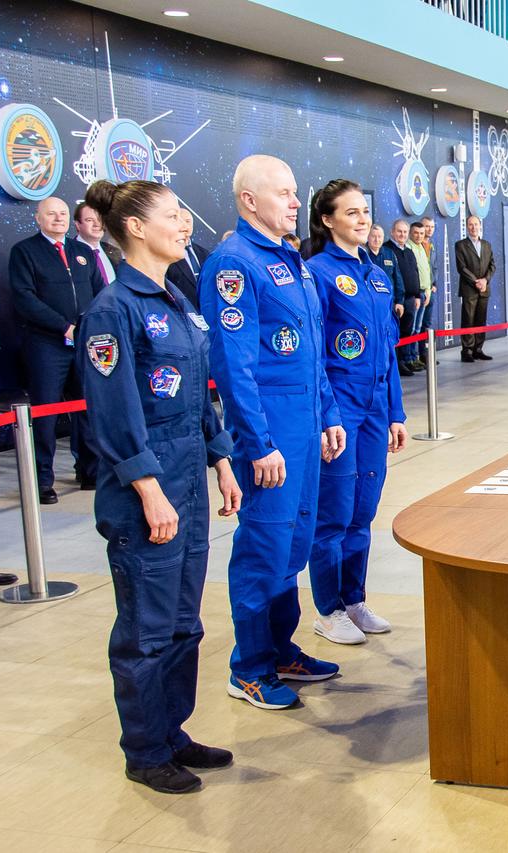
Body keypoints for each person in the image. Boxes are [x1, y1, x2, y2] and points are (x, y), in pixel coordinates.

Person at [76, 177, 242, 794]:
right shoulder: (112, 310)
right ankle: (145, 752)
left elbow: (198, 393)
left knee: (183, 623)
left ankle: (171, 731)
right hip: (146, 493)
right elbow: (114, 413)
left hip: (188, 486)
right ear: (136, 228)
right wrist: (148, 490)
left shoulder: (176, 299)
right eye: (173, 215)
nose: (185, 224)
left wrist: (222, 460)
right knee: (145, 630)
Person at [200, 154, 347, 711]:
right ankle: (251, 668)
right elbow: (234, 368)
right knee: (264, 548)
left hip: (308, 430)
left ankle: (282, 650)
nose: (294, 202)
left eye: (295, 192)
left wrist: (329, 412)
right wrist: (258, 444)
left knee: (295, 545)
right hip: (272, 437)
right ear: (249, 200)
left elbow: (312, 353)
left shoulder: (292, 260)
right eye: (283, 193)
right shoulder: (234, 265)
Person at [304, 180, 408, 645]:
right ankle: (328, 610)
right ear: (327, 220)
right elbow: (313, 357)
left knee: (364, 511)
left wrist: (396, 413)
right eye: (350, 213)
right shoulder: (317, 274)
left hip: (374, 412)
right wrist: (328, 416)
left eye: (364, 211)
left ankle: (353, 598)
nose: (362, 219)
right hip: (340, 411)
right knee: (335, 514)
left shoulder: (378, 274)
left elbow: (387, 351)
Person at [8, 196, 107, 503]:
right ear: (38, 218)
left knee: (88, 410)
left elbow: (100, 293)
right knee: (46, 415)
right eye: (51, 214)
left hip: (83, 343)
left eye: (63, 213)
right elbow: (24, 299)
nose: (58, 218)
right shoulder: (25, 252)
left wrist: (90, 327)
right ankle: (41, 481)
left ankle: (90, 472)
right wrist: (63, 327)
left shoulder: (82, 252)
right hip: (46, 345)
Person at [454, 214, 495, 362]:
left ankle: (478, 349)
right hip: (469, 289)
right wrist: (476, 282)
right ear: (467, 227)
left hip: (484, 289)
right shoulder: (460, 245)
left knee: (480, 320)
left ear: (480, 226)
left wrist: (485, 280)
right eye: (470, 225)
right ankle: (467, 351)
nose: (473, 227)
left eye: (476, 224)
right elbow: (462, 268)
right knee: (468, 320)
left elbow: (492, 265)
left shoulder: (486, 245)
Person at [384, 220, 422, 375]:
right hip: (397, 301)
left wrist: (418, 295)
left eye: (405, 232)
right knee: (396, 332)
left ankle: (406, 360)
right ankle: (397, 363)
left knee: (408, 332)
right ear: (392, 232)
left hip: (411, 299)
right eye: (399, 231)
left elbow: (415, 272)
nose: (402, 235)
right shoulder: (387, 250)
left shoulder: (409, 250)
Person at [165, 208, 211, 307]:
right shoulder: (167, 254)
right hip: (181, 309)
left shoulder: (204, 252)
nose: (185, 225)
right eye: (181, 221)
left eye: (188, 221)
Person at [74, 201, 121, 285]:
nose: (96, 224)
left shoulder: (114, 252)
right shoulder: (67, 252)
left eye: (100, 219)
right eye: (89, 220)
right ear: (78, 225)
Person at [416, 216, 439, 367]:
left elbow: (434, 267)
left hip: (431, 290)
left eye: (431, 227)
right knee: (417, 326)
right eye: (426, 227)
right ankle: (416, 356)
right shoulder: (416, 246)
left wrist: (434, 284)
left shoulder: (432, 245)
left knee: (427, 325)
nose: (429, 230)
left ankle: (426, 355)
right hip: (420, 292)